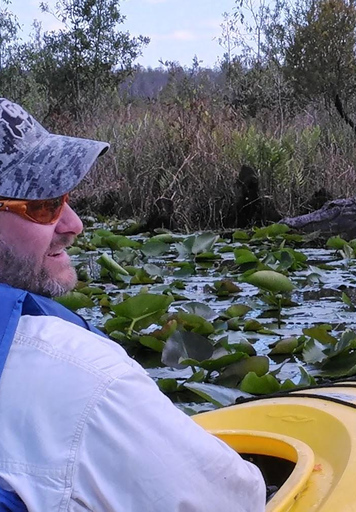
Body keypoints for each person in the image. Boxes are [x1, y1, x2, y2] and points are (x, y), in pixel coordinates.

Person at [0, 98, 267, 511]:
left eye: (65, 196)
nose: (74, 225)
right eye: (42, 205)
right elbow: (234, 500)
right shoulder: (89, 380)